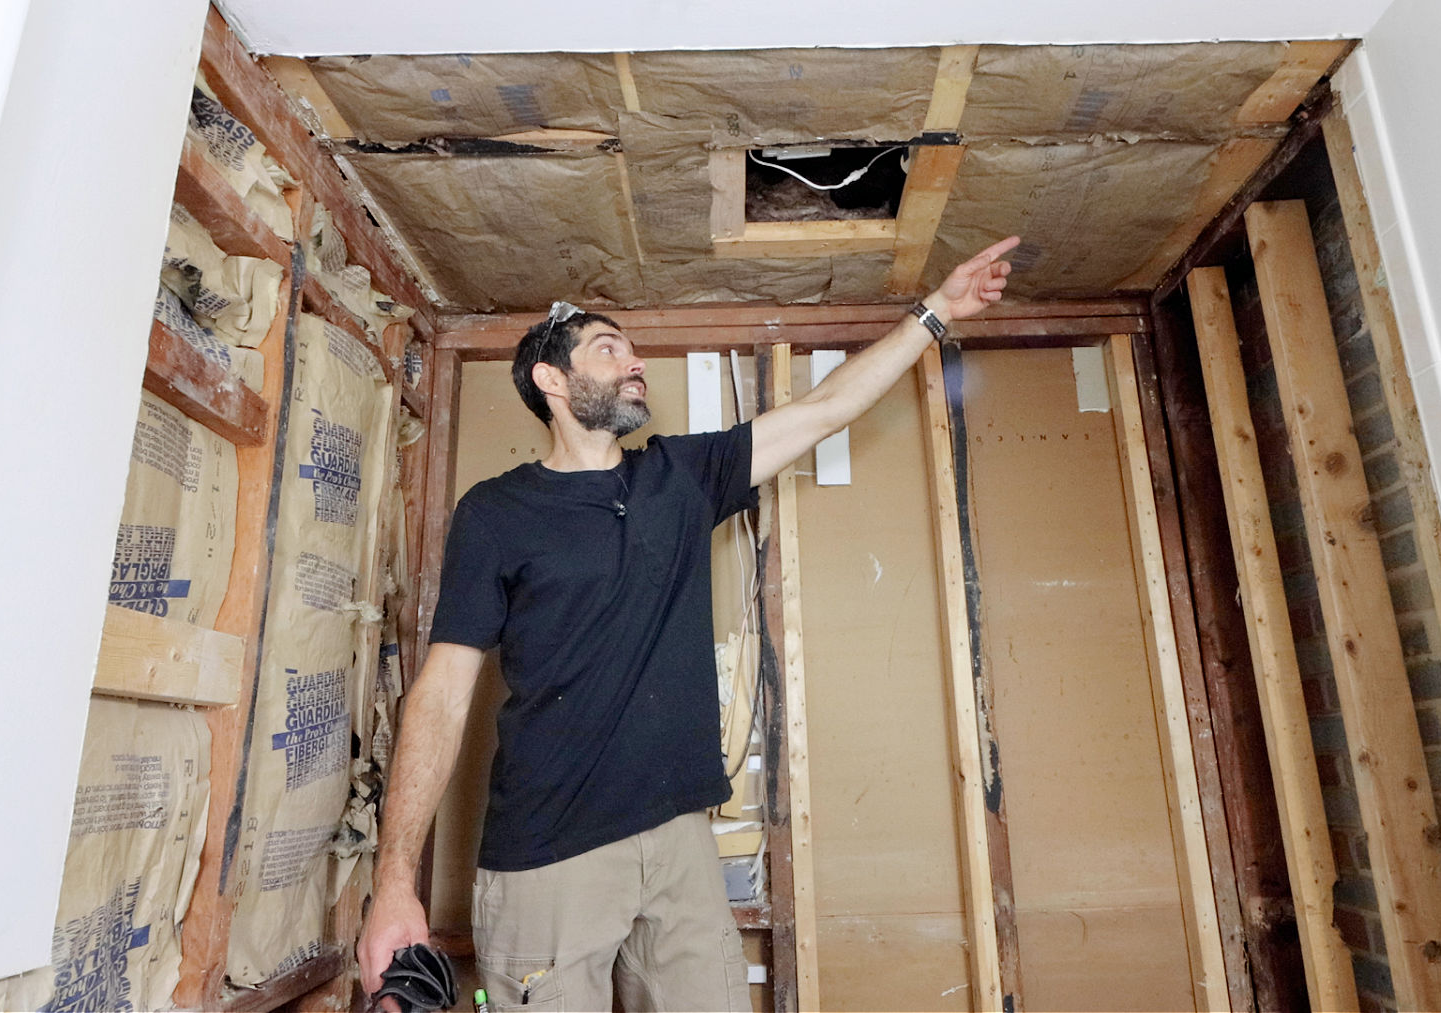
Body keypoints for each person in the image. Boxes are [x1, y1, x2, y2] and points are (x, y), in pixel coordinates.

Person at [358, 236, 1021, 1012]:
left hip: (678, 844)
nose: (634, 362)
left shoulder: (679, 478)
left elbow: (827, 405)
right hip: (548, 857)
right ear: (551, 379)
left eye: (633, 350)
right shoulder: (497, 513)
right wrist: (394, 879)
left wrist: (936, 311)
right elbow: (440, 694)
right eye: (609, 349)